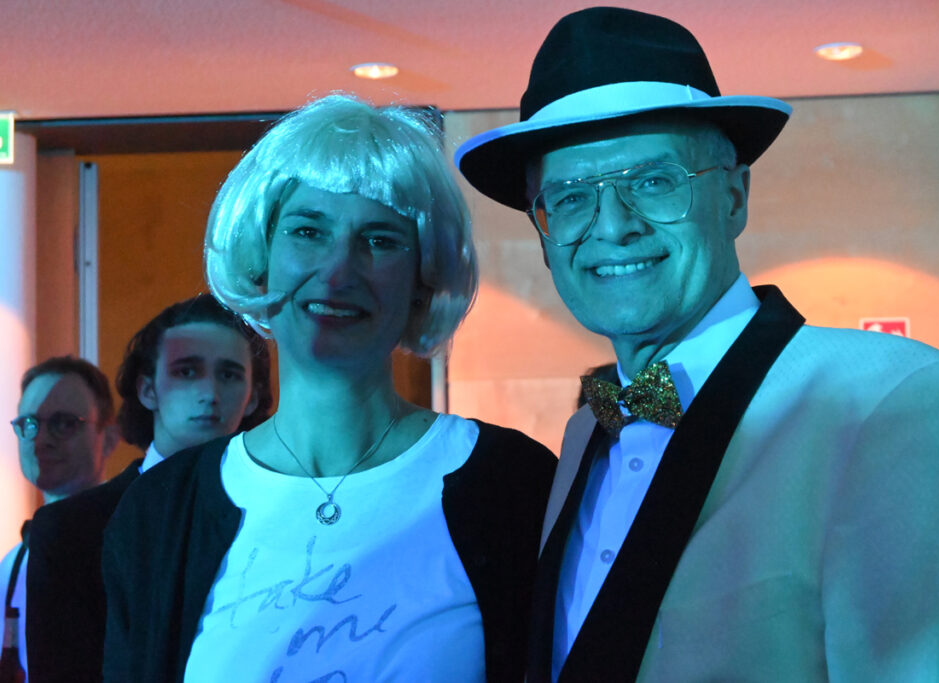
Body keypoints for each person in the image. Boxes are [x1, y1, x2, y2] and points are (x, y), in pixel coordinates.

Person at [456, 7, 939, 681]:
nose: (612, 226)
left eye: (653, 182)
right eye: (571, 198)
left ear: (733, 196)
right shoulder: (586, 434)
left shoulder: (891, 402)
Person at [102, 93, 556, 683]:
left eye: (380, 240)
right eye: (308, 231)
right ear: (261, 261)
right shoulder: (162, 511)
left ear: (422, 281)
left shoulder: (514, 483)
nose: (339, 271)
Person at [25, 294, 272, 682]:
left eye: (229, 375)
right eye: (186, 372)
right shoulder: (70, 530)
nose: (208, 393)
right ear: (147, 389)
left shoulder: (274, 517)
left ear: (252, 396)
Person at [2, 357, 118, 679]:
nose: (41, 439)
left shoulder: (130, 542)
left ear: (109, 438)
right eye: (29, 423)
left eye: (64, 423)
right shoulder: (13, 562)